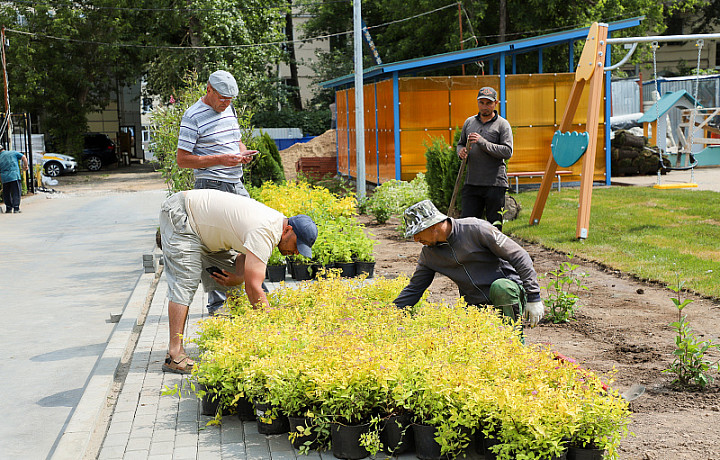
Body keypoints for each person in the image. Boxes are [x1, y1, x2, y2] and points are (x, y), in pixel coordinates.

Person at [159, 188, 318, 374]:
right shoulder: (266, 230)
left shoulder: (273, 224)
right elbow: (254, 289)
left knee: (233, 275)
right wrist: (273, 331)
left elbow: (243, 256)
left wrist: (239, 277)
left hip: (202, 226)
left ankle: (234, 338)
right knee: (186, 281)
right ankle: (175, 355)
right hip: (183, 215)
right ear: (288, 230)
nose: (296, 252)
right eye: (297, 245)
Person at [393, 200, 544, 336]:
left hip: (508, 294)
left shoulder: (476, 229)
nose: (415, 239)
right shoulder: (429, 255)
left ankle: (515, 344)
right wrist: (388, 314)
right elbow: (414, 289)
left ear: (433, 225)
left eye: (417, 232)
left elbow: (520, 255)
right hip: (474, 305)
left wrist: (534, 297)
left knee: (501, 287)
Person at [177, 69, 259, 315]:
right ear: (209, 90)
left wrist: (242, 153)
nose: (226, 103)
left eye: (230, 99)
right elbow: (183, 160)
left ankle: (247, 294)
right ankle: (218, 305)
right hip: (211, 186)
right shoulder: (192, 116)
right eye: (222, 98)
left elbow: (236, 141)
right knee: (217, 249)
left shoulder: (228, 109)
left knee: (252, 235)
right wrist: (220, 159)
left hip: (235, 183)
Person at [456, 86, 513, 231]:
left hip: (495, 184)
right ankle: (470, 253)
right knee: (466, 226)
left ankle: (495, 253)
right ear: (477, 102)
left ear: (496, 103)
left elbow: (507, 152)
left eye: (488, 103)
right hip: (472, 183)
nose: (485, 106)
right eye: (482, 103)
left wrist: (482, 142)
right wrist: (461, 152)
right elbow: (460, 143)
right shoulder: (469, 122)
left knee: (494, 227)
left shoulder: (502, 124)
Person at [0, 145, 29, 214]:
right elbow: (24, 157)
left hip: (4, 177)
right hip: (14, 176)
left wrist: (1, 180)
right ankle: (16, 208)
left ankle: (8, 208)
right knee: (16, 192)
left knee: (6, 193)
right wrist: (25, 166)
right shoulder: (13, 153)